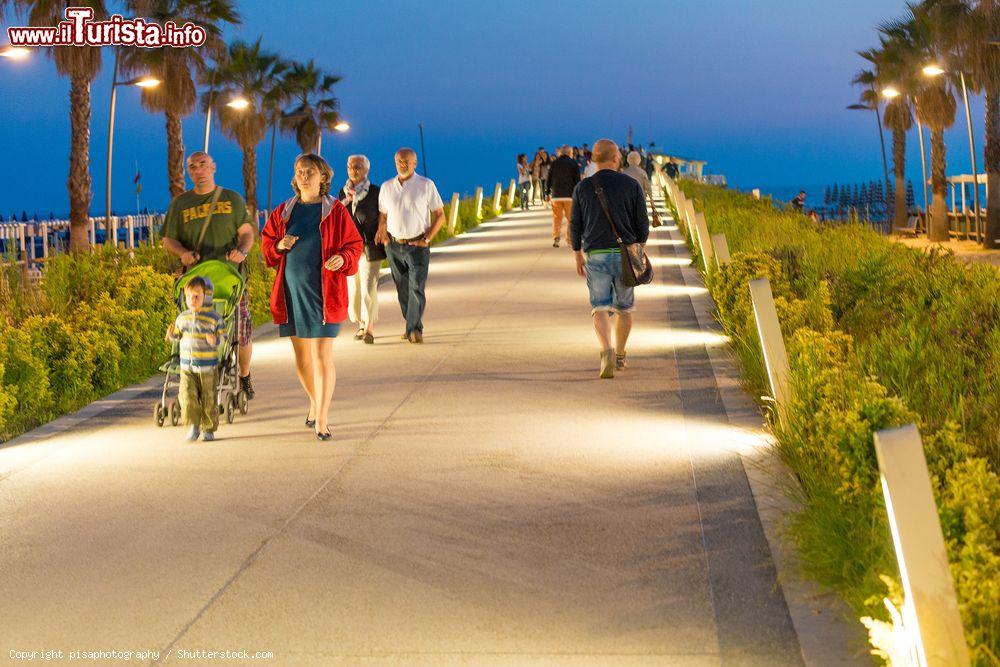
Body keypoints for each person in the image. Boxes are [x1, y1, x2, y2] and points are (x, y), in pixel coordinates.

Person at [261, 153, 363, 441]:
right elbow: (267, 244)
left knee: (322, 356)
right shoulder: (283, 212)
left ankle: (322, 418)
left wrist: (343, 258)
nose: (304, 176)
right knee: (303, 359)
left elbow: (354, 245)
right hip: (291, 295)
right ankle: (315, 402)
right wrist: (278, 245)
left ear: (323, 178)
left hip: (325, 295)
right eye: (299, 171)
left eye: (310, 171)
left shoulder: (335, 212)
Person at [162, 151, 257, 401]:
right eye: (192, 167)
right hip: (195, 280)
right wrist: (182, 253)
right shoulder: (181, 204)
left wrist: (242, 251)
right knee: (194, 327)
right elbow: (168, 239)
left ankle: (244, 376)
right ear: (188, 171)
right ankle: (195, 373)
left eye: (203, 165)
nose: (198, 170)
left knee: (241, 332)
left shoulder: (231, 199)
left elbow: (247, 231)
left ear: (213, 167)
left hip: (230, 277)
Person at [570, 139, 650, 379]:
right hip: (625, 253)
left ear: (594, 159)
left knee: (600, 306)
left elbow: (576, 225)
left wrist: (577, 254)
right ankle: (621, 354)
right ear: (616, 158)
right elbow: (642, 223)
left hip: (596, 254)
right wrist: (639, 248)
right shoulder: (631, 184)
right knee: (625, 307)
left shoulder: (582, 188)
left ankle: (606, 350)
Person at [374, 148, 446, 344]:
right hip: (394, 246)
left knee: (416, 288)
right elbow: (383, 215)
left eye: (406, 161)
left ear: (415, 163)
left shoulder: (426, 185)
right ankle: (412, 325)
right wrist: (382, 229)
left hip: (418, 246)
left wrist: (427, 239)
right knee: (402, 290)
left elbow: (440, 215)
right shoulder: (387, 186)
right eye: (398, 160)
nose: (402, 164)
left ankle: (413, 329)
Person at [166, 277, 225, 442]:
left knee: (209, 397)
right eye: (189, 296)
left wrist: (215, 341)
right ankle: (193, 425)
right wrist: (171, 336)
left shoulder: (214, 318)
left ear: (205, 297)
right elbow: (177, 336)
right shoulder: (182, 318)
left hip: (207, 367)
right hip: (187, 367)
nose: (192, 300)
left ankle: (208, 428)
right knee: (186, 395)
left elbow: (223, 337)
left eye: (197, 296)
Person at [338, 154, 384, 345]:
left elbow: (384, 214)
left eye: (357, 166)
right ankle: (360, 322)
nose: (353, 170)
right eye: (350, 166)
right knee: (354, 289)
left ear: (366, 169)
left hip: (370, 246)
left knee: (368, 286)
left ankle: (369, 328)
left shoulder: (375, 191)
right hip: (350, 248)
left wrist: (382, 228)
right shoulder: (343, 193)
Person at [547, 145, 581, 247]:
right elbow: (577, 181)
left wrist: (547, 192)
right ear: (569, 153)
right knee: (570, 219)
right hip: (569, 196)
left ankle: (556, 237)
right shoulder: (573, 163)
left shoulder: (554, 163)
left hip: (556, 195)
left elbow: (549, 179)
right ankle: (569, 240)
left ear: (561, 153)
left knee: (556, 218)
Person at [623, 150, 661, 227]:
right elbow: (648, 189)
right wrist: (652, 203)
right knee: (640, 222)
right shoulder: (642, 173)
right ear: (639, 161)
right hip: (640, 201)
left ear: (628, 160)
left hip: (626, 202)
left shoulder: (624, 173)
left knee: (628, 221)